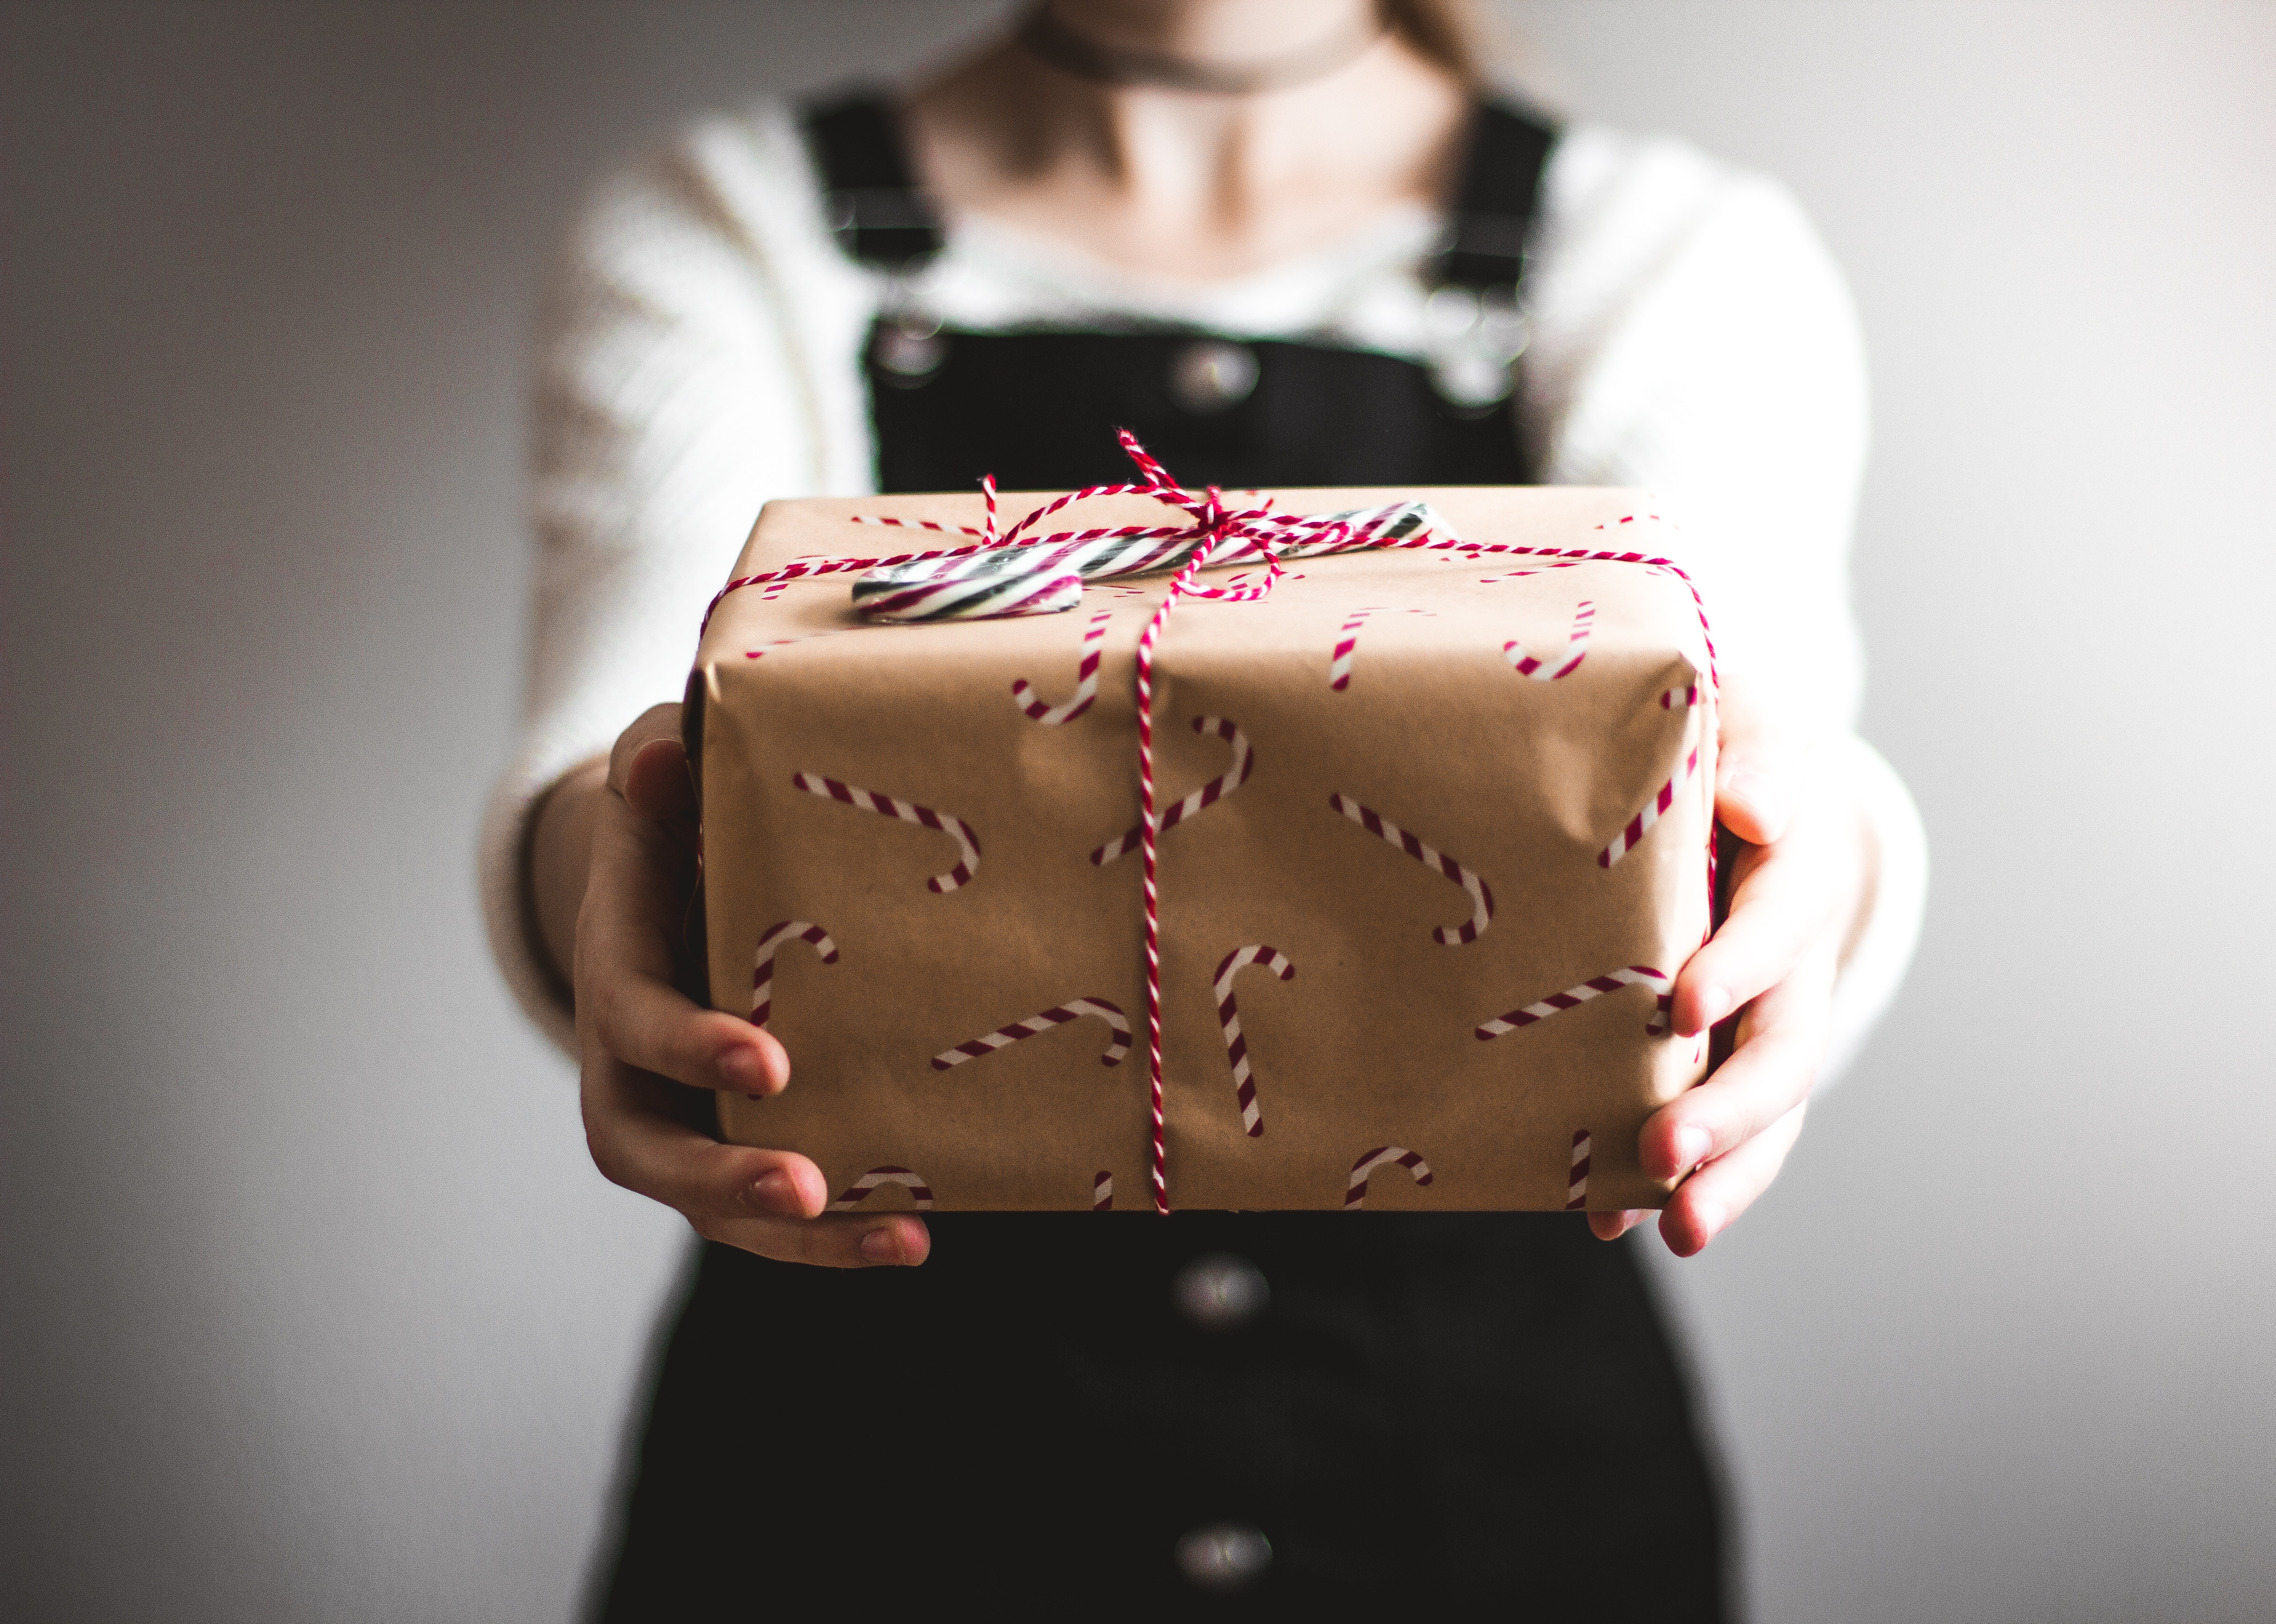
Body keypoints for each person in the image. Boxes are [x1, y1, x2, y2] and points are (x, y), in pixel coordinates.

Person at [479, 0, 1927, 1612]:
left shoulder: (1667, 251)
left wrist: (1825, 865)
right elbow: (622, 745)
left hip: (1494, 1514)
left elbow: (1765, 738)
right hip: (859, 1517)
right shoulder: (732, 230)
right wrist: (605, 886)